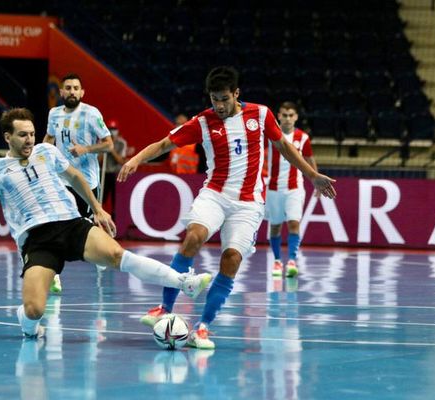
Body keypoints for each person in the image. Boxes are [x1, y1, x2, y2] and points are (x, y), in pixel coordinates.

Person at [117, 66, 337, 349]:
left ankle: (203, 328)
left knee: (231, 258)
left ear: (236, 94)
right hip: (215, 194)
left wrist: (312, 175)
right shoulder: (203, 122)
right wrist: (136, 160)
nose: (218, 105)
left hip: (248, 203)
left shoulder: (260, 114)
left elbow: (283, 146)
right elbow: (164, 144)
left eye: (223, 98)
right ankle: (164, 307)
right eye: (213, 99)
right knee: (194, 236)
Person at [0, 108, 212, 340]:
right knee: (34, 310)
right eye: (23, 135)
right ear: (8, 137)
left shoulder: (47, 152)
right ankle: (29, 325)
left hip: (70, 223)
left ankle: (184, 282)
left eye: (32, 133)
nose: (30, 140)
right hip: (37, 240)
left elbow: (75, 177)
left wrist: (98, 209)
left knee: (118, 255)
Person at [43, 73, 113, 292]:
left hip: (87, 181)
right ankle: (53, 275)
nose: (72, 91)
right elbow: (48, 139)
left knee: (91, 223)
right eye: (68, 87)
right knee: (56, 224)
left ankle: (104, 252)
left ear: (82, 92)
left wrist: (86, 149)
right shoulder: (54, 114)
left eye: (76, 88)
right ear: (61, 92)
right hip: (61, 180)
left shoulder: (91, 114)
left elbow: (109, 144)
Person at [266, 101, 318, 278]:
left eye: (291, 115)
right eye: (284, 115)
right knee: (275, 226)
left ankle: (292, 261)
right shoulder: (270, 135)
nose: (287, 119)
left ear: (296, 117)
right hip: (273, 188)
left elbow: (310, 159)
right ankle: (277, 261)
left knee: (294, 223)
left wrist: (316, 179)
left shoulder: (303, 138)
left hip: (295, 188)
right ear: (279, 116)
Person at [100, 119, 127, 215]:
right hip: (104, 173)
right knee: (101, 199)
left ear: (118, 130)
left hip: (116, 174)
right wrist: (103, 147)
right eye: (110, 128)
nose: (112, 131)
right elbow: (99, 160)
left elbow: (121, 161)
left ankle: (116, 219)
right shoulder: (103, 142)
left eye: (114, 129)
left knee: (116, 200)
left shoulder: (122, 143)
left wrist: (111, 149)